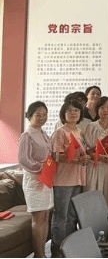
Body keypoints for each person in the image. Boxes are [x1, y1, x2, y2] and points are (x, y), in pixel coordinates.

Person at [50, 100, 89, 257]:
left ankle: (71, 249)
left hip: (78, 179)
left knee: (72, 217)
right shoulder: (60, 132)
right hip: (63, 180)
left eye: (76, 111)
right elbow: (56, 155)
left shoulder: (80, 132)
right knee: (61, 216)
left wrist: (86, 157)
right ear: (63, 114)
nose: (73, 113)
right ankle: (58, 250)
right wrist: (77, 160)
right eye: (69, 110)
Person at [18, 102, 53, 258]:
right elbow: (23, 160)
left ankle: (43, 252)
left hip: (46, 179)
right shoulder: (27, 135)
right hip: (34, 180)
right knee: (38, 218)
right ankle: (39, 255)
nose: (42, 118)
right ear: (29, 116)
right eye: (38, 115)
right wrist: (41, 167)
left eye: (44, 114)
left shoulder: (43, 133)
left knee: (45, 216)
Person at [83, 96, 108, 208]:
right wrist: (98, 156)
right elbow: (86, 150)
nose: (105, 110)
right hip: (94, 167)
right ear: (97, 110)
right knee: (92, 199)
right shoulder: (91, 127)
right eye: (102, 107)